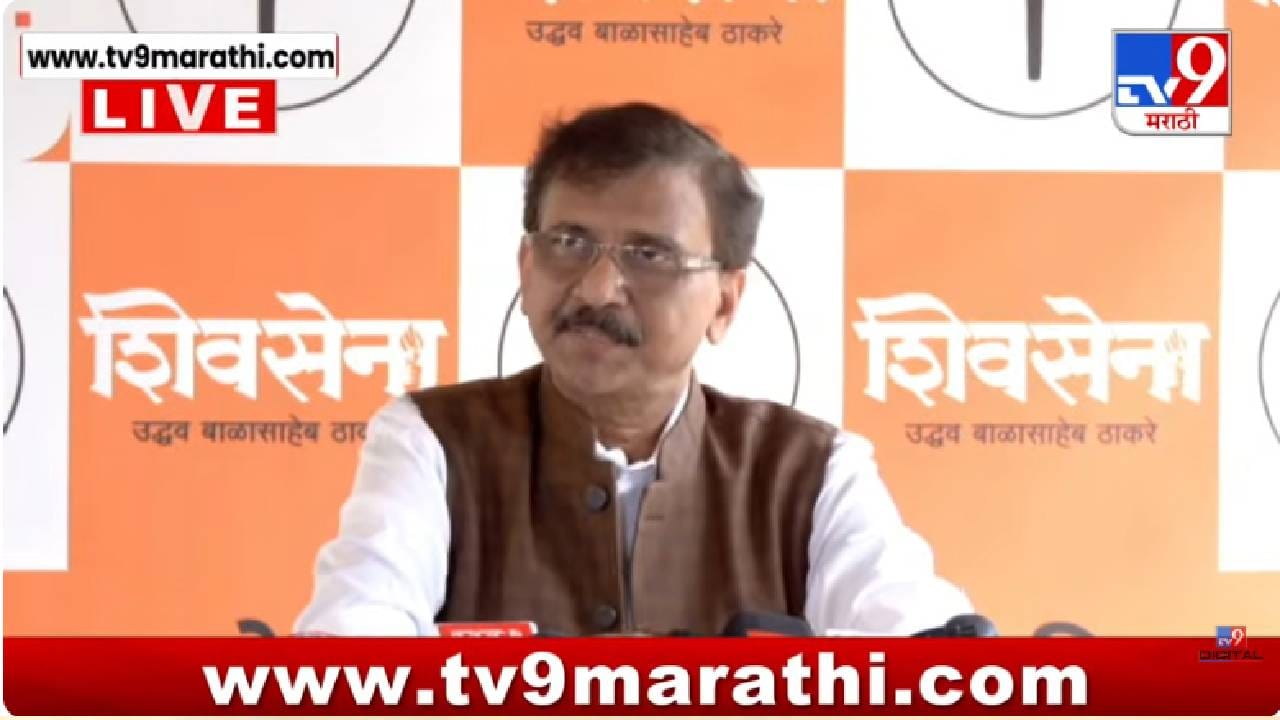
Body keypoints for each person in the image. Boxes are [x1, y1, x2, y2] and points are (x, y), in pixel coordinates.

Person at [296, 102, 972, 637]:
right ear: (526, 268)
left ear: (724, 302)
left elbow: (925, 658)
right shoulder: (432, 441)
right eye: (569, 242)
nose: (596, 289)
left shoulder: (812, 470)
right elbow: (350, 654)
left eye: (650, 256)